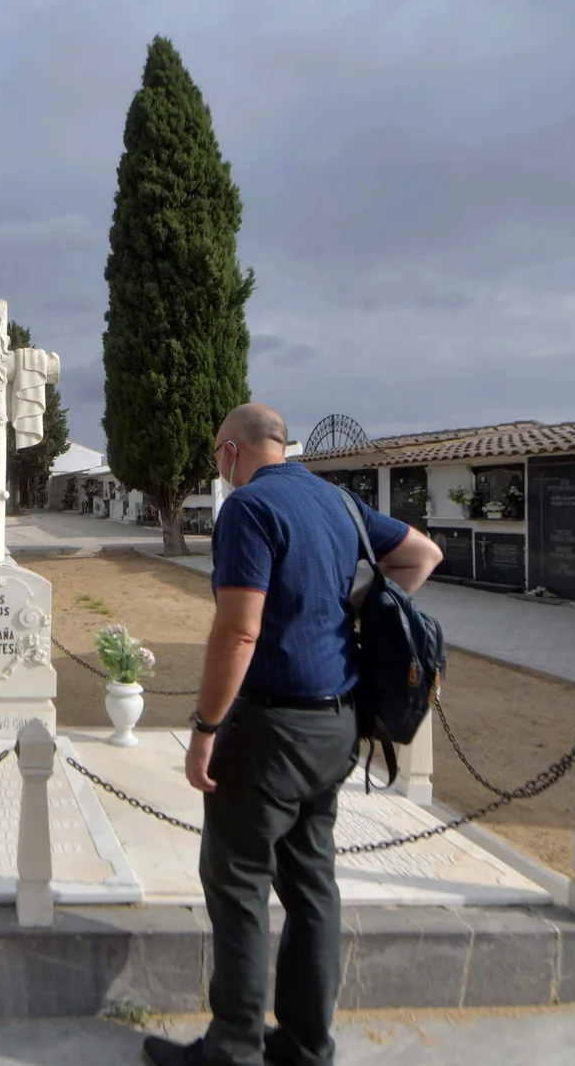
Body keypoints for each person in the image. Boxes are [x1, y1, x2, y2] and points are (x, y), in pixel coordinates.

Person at [143, 403, 443, 1066]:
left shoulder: (248, 510)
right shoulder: (337, 501)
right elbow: (422, 554)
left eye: (220, 457)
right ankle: (307, 1044)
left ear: (231, 452)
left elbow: (239, 629)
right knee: (312, 883)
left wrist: (204, 728)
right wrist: (346, 611)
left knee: (239, 880)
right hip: (337, 723)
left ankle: (233, 1048)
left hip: (270, 727)